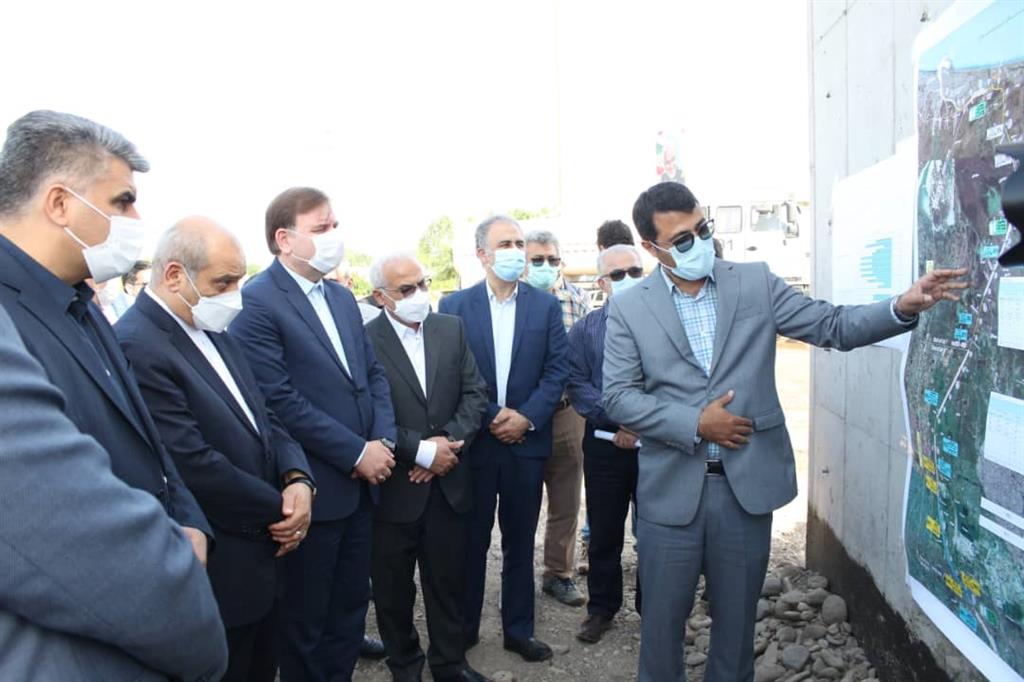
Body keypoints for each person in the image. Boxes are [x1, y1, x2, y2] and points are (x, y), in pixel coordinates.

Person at [603, 181, 968, 682]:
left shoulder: (754, 283)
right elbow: (618, 396)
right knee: (662, 633)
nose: (699, 244)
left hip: (744, 492)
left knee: (736, 634)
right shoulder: (630, 308)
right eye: (682, 240)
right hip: (670, 495)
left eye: (703, 230)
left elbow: (832, 325)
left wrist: (901, 306)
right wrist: (695, 422)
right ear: (652, 248)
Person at [0, 110, 211, 563]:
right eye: (122, 201)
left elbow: (147, 440)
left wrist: (190, 523)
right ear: (60, 203)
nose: (136, 218)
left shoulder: (80, 302)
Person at [115, 217, 316, 681]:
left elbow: (265, 415)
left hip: (264, 556)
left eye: (239, 281)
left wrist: (298, 477)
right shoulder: (138, 344)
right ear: (174, 275)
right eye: (223, 283)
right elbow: (191, 462)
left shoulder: (215, 329)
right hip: (223, 563)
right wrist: (284, 510)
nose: (234, 296)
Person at [0, 303, 228, 681]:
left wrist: (189, 518)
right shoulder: (17, 309)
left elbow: (152, 441)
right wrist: (178, 586)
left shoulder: (84, 309)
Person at [230, 186, 397, 682]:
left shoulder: (341, 297)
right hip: (313, 490)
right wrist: (355, 453)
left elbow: (372, 375)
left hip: (364, 486)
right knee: (304, 621)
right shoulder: (256, 302)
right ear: (284, 239)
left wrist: (383, 443)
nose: (333, 237)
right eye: (321, 229)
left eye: (334, 226)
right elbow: (277, 401)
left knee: (349, 610)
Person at [438, 215, 569, 662]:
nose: (516, 250)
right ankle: (464, 630)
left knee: (520, 542)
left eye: (519, 242)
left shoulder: (545, 306)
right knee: (471, 543)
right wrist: (493, 415)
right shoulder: (454, 305)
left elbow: (557, 370)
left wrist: (526, 417)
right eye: (506, 243)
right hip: (475, 443)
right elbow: (451, 372)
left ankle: (519, 631)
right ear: (482, 254)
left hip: (525, 445)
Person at [365, 253, 490, 682]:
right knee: (392, 590)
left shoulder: (450, 329)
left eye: (423, 283)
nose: (419, 294)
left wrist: (444, 448)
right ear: (381, 297)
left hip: (447, 483)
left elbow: (475, 393)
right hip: (394, 488)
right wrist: (419, 453)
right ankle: (404, 666)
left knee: (448, 582)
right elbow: (369, 413)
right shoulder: (364, 340)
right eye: (406, 289)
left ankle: (450, 664)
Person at [567, 244, 645, 644]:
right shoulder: (586, 330)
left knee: (655, 530)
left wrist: (643, 422)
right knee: (604, 530)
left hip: (656, 445)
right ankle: (601, 608)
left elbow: (675, 380)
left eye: (635, 271)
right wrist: (619, 419)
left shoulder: (665, 323)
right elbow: (577, 383)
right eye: (617, 274)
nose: (627, 279)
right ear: (602, 283)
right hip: (605, 444)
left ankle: (654, 608)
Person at [523, 229, 590, 607]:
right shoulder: (513, 300)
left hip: (566, 413)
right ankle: (516, 576)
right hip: (522, 417)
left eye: (551, 260)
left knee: (566, 499)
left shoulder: (577, 300)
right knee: (521, 500)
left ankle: (558, 573)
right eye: (537, 260)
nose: (545, 266)